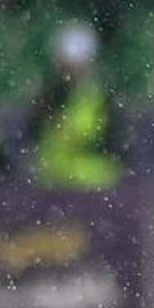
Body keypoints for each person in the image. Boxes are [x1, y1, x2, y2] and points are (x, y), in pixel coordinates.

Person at [30, 21, 123, 189]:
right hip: (52, 182)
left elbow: (113, 151)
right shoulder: (48, 96)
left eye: (77, 65)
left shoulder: (103, 98)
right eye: (67, 65)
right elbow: (34, 139)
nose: (71, 72)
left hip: (91, 185)